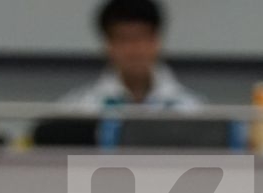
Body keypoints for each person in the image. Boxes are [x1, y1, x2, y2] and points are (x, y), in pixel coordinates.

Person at [59, 0, 202, 112]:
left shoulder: (192, 110)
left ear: (157, 42)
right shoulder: (78, 110)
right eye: (123, 39)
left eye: (141, 38)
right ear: (107, 45)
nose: (134, 50)